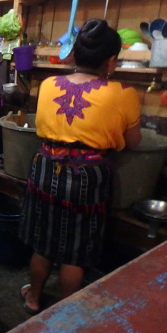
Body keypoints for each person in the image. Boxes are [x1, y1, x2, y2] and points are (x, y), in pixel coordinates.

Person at [18, 19, 142, 315]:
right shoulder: (124, 93)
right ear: (111, 60)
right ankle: (64, 308)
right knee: (75, 250)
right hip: (89, 176)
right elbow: (133, 142)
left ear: (74, 54)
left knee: (43, 241)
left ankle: (33, 297)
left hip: (46, 168)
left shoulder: (48, 85)